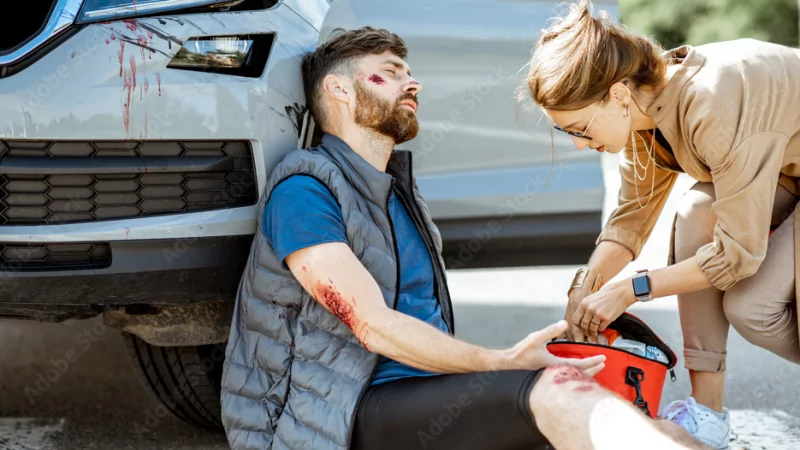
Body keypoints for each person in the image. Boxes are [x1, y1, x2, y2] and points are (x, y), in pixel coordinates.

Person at [219, 26, 713, 450]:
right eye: (388, 72)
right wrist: (501, 363)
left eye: (408, 72)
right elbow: (373, 327)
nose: (411, 83)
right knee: (557, 391)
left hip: (419, 397)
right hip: (337, 418)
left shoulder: (397, 193)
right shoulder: (303, 190)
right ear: (340, 91)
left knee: (661, 430)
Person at [522, 1, 800, 448]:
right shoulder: (644, 116)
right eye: (566, 133)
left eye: (579, 128)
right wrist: (585, 286)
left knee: (754, 308)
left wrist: (630, 289)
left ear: (616, 95)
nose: (578, 146)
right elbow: (630, 221)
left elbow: (738, 254)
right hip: (787, 172)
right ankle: (707, 415)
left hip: (783, 169)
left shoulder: (712, 101)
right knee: (695, 213)